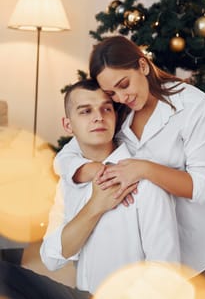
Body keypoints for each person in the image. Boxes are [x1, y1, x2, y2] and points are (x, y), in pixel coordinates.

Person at [55, 35, 205, 288]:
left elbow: (203, 187)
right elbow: (69, 154)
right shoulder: (116, 109)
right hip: (150, 242)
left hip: (201, 240)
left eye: (124, 84)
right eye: (111, 92)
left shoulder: (195, 107)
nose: (120, 97)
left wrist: (144, 169)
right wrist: (97, 171)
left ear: (143, 66)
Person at [0, 78, 180, 299]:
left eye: (106, 109)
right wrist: (95, 206)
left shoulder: (144, 181)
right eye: (86, 111)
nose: (98, 117)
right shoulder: (70, 179)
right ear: (68, 125)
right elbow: (52, 257)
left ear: (115, 117)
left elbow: (165, 272)